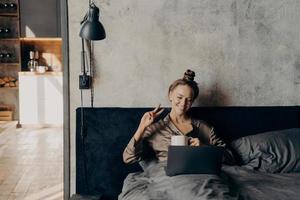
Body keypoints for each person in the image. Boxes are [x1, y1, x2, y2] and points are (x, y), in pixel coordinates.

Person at [123, 69, 235, 165]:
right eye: (179, 97)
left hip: (200, 177)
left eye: (189, 100)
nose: (183, 103)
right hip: (170, 181)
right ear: (170, 95)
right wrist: (142, 127)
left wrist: (204, 148)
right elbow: (128, 158)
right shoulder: (155, 129)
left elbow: (230, 158)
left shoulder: (204, 128)